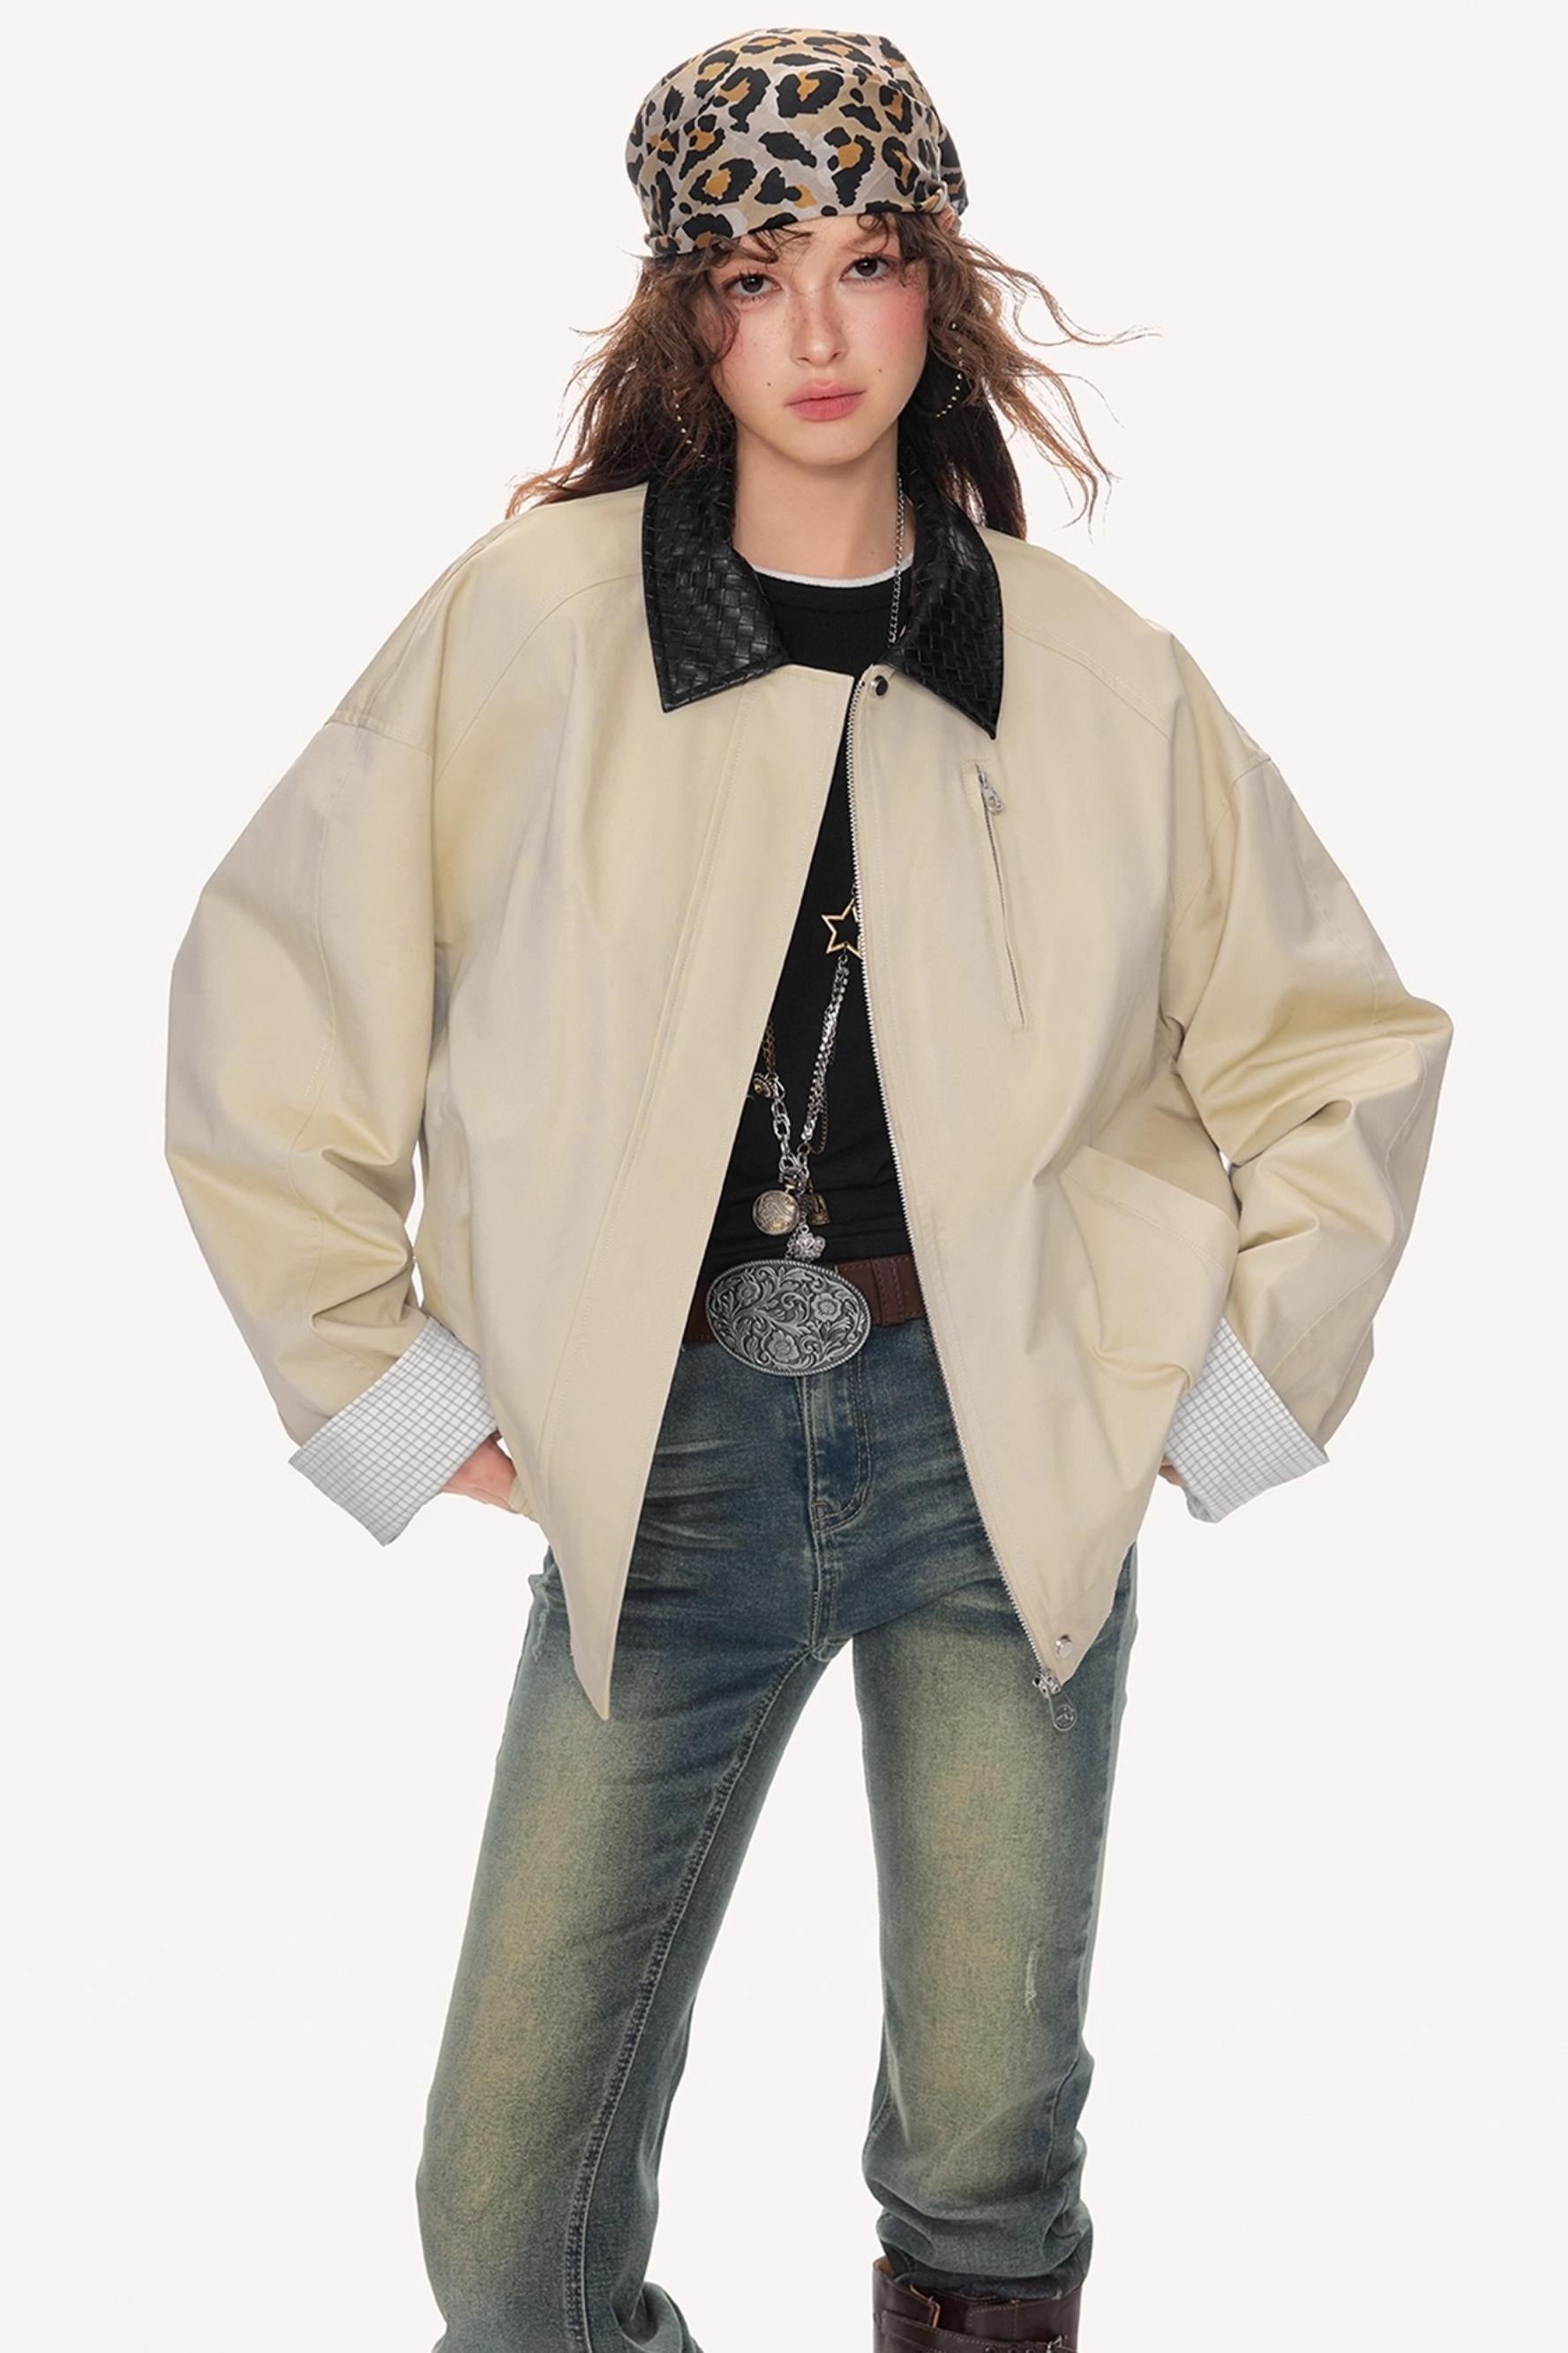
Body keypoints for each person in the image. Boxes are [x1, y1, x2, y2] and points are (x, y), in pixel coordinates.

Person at [161, 26, 1454, 2352]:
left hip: (997, 1447)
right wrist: (379, 1380)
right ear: (690, 314)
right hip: (662, 1458)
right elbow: (272, 986)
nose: (822, 331)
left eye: (867, 263)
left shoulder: (1091, 671)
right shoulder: (530, 627)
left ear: (938, 288)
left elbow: (1335, 1036)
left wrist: (1231, 1384)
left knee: (987, 2140)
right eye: (758, 277)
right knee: (506, 2214)